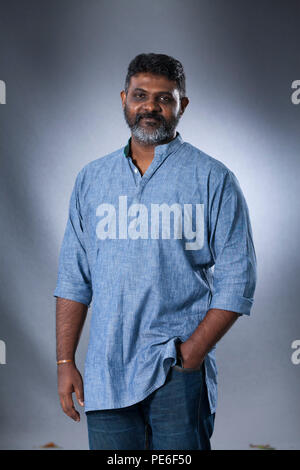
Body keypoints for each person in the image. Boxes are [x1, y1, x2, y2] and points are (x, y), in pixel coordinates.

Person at [54, 52, 257, 450]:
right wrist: (65, 362)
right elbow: (73, 278)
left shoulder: (213, 179)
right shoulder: (92, 180)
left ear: (182, 105)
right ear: (124, 98)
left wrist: (192, 355)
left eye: (164, 98)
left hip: (176, 373)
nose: (150, 106)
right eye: (140, 95)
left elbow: (239, 278)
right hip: (107, 372)